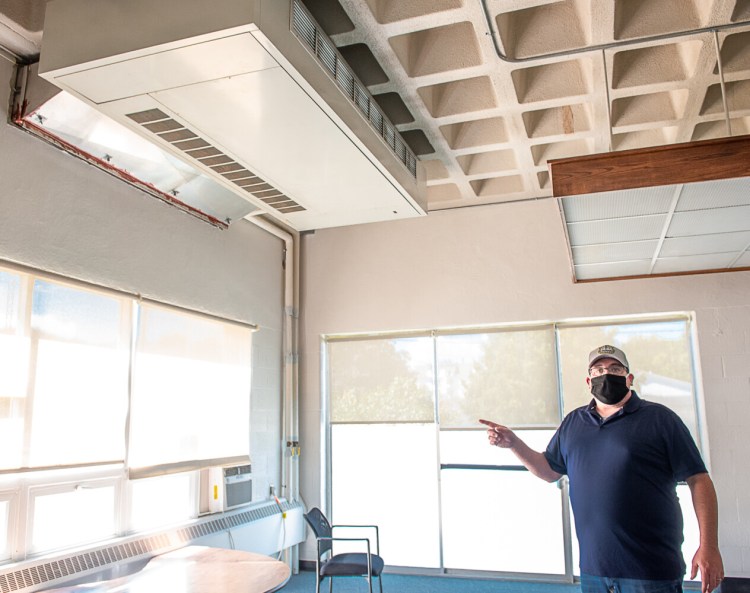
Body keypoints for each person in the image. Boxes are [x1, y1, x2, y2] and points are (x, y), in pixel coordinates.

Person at [480, 344, 724, 593]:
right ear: (589, 380)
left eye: (614, 368)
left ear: (628, 378)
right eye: (598, 370)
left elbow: (699, 480)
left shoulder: (660, 419)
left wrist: (709, 546)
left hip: (649, 571)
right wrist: (514, 444)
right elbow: (549, 471)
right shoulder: (574, 422)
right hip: (595, 570)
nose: (606, 374)